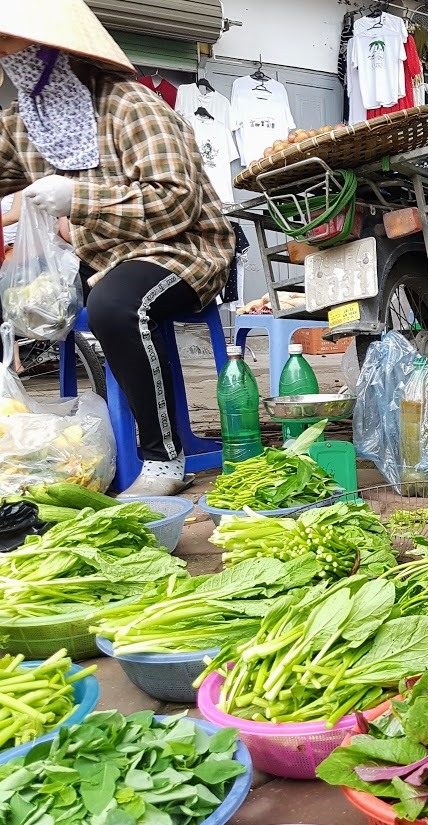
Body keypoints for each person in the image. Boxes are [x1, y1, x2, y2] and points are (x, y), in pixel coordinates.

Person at [0, 0, 235, 496]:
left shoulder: (131, 105)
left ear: (53, 50)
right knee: (28, 302)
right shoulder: (22, 121)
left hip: (184, 249)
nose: (3, 54)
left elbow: (177, 202)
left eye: (10, 42)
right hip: (106, 258)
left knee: (115, 307)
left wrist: (77, 196)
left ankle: (163, 460)